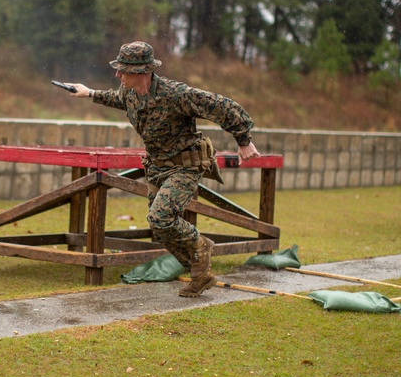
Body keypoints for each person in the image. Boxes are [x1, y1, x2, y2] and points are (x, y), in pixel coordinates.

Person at [64, 41, 261, 298]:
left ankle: (201, 245)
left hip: (184, 167)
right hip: (157, 168)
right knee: (160, 229)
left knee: (161, 217)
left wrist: (244, 140)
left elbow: (221, 106)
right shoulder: (130, 94)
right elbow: (113, 97)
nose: (117, 75)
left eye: (123, 70)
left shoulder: (175, 93)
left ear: (142, 71)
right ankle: (200, 273)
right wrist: (88, 92)